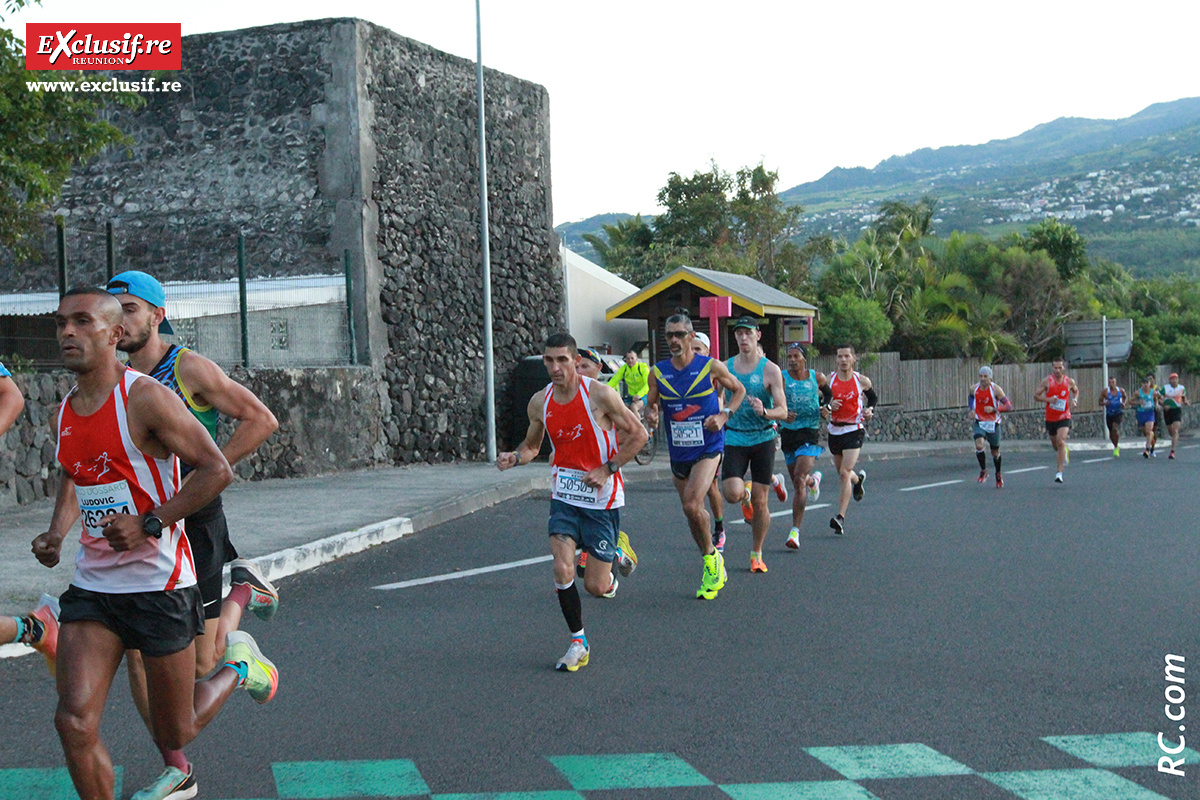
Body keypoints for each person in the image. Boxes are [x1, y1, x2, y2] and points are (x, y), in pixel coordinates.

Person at [34, 288, 277, 800]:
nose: (67, 333)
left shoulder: (144, 397)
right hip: (94, 587)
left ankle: (239, 667)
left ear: (114, 334)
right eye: (60, 323)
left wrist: (151, 522)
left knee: (175, 730)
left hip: (159, 584)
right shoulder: (65, 411)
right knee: (74, 722)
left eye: (81, 322)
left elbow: (217, 469)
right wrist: (57, 533)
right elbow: (75, 476)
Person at [106, 270, 280, 800]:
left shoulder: (187, 369)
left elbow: (261, 418)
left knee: (202, 665)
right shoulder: (110, 378)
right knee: (139, 652)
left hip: (193, 527)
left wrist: (205, 473)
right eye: (113, 311)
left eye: (130, 309)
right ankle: (177, 768)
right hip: (138, 532)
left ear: (158, 314)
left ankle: (243, 613)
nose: (120, 321)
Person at [497, 333, 646, 672]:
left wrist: (608, 468)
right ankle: (578, 642)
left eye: (562, 360)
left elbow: (639, 435)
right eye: (549, 360)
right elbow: (533, 447)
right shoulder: (540, 402)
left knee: (595, 586)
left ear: (576, 362)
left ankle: (617, 551)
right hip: (564, 497)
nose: (555, 367)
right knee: (562, 568)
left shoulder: (600, 396)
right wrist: (514, 458)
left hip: (601, 499)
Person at [645, 314, 744, 599]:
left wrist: (724, 415)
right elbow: (652, 406)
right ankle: (711, 557)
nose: (673, 340)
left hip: (709, 446)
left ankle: (712, 566)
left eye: (679, 334)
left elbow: (739, 390)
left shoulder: (711, 366)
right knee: (691, 514)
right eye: (669, 336)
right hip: (679, 452)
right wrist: (650, 416)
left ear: (691, 337)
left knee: (691, 503)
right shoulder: (658, 372)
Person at [720, 316, 788, 574]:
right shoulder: (726, 368)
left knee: (762, 503)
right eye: (739, 334)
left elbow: (783, 411)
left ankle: (756, 553)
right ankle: (744, 493)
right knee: (731, 493)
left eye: (748, 333)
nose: (743, 338)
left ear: (757, 335)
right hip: (735, 436)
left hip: (762, 437)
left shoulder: (770, 370)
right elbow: (717, 399)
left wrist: (765, 412)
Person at [573, 347, 637, 581]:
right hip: (574, 477)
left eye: (585, 367)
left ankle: (616, 551)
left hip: (602, 475)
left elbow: (635, 432)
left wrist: (608, 455)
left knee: (590, 573)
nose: (579, 371)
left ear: (599, 369)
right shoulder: (570, 396)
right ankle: (611, 544)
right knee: (574, 525)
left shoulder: (606, 396)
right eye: (576, 366)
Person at [825, 344, 875, 535]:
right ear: (836, 360)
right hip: (835, 430)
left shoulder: (861, 380)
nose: (843, 360)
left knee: (844, 472)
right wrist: (829, 406)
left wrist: (870, 410)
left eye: (847, 356)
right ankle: (858, 480)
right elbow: (821, 403)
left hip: (854, 429)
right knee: (843, 473)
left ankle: (840, 517)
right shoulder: (829, 381)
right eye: (840, 357)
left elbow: (873, 398)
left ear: (854, 358)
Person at [778, 343, 825, 549]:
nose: (792, 359)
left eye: (796, 356)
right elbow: (771, 398)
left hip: (809, 431)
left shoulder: (817, 377)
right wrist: (781, 413)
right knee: (799, 482)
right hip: (788, 433)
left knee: (798, 479)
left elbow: (829, 394)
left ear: (804, 358)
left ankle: (795, 531)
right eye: (789, 356)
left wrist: (826, 407)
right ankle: (813, 482)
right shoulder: (781, 377)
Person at [690, 332, 727, 551]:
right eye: (691, 348)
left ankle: (719, 528)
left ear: (707, 352)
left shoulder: (715, 373)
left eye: (698, 349)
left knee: (711, 486)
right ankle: (702, 528)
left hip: (711, 436)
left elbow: (728, 398)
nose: (693, 353)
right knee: (693, 493)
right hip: (687, 439)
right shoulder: (683, 373)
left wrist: (722, 416)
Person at [1034, 356, 1078, 483]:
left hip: (1064, 416)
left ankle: (1059, 473)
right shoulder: (1047, 381)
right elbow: (1036, 396)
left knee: (1061, 441)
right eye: (1055, 367)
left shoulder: (1069, 381)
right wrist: (1048, 400)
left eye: (1060, 367)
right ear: (1052, 368)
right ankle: (1064, 451)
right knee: (1056, 446)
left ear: (1063, 368)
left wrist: (1074, 400)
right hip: (1051, 417)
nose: (1058, 370)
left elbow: (1076, 391)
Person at [969, 366, 1012, 488]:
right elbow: (971, 397)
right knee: (979, 445)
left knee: (995, 452)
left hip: (993, 424)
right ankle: (983, 471)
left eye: (985, 377)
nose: (982, 379)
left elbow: (1009, 406)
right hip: (980, 422)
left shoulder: (996, 390)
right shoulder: (974, 388)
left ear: (990, 377)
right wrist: (972, 409)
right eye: (981, 376)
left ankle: (998, 474)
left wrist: (994, 409)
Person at [607, 349, 650, 419]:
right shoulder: (624, 369)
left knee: (634, 407)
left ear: (636, 359)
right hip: (631, 396)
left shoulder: (642, 367)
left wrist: (639, 395)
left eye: (632, 358)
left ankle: (638, 428)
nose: (630, 360)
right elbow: (614, 380)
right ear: (625, 360)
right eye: (628, 358)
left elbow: (648, 384)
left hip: (644, 395)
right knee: (621, 408)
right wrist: (604, 389)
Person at [1161, 372, 1188, 459]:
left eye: (1176, 378)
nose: (1174, 380)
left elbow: (1183, 397)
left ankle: (1172, 451)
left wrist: (1186, 402)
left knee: (1175, 430)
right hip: (1168, 411)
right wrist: (1164, 405)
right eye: (1172, 379)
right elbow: (1158, 399)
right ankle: (1174, 439)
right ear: (1170, 380)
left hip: (1177, 409)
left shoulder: (1182, 388)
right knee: (1170, 431)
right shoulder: (1165, 388)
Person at [1099, 376, 1127, 457]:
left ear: (1116, 383)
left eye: (1113, 382)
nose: (1111, 384)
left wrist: (1124, 403)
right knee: (1111, 432)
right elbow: (1100, 402)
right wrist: (1104, 403)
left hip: (1118, 413)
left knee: (1115, 428)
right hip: (1109, 414)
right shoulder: (1105, 392)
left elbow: (1125, 397)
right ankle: (1116, 446)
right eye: (1110, 382)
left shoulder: (1121, 391)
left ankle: (1116, 446)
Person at [1135, 375, 1158, 458]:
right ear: (1142, 384)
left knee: (1148, 431)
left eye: (1147, 383)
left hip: (1150, 413)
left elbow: (1157, 400)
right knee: (1146, 432)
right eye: (1144, 383)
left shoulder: (1153, 392)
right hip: (1141, 413)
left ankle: (1147, 450)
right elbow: (1130, 401)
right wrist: (1138, 402)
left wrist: (1157, 405)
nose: (1145, 385)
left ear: (1149, 384)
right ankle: (1152, 441)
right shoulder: (1138, 392)